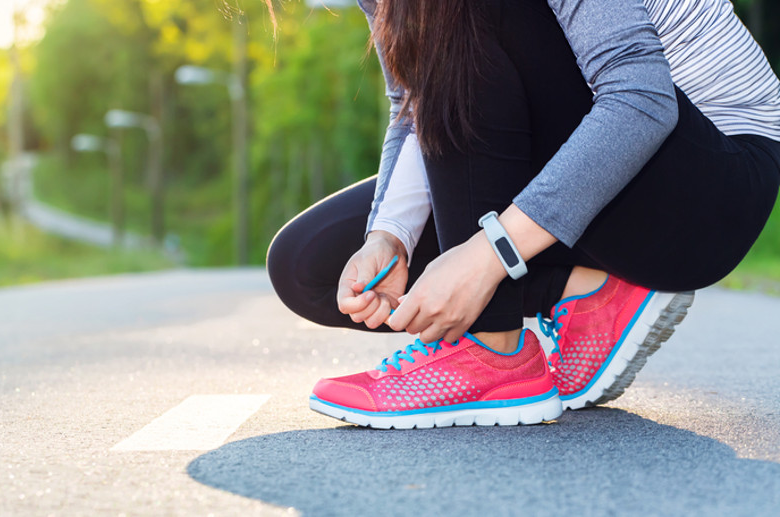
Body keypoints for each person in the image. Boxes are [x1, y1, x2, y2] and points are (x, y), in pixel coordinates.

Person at [267, 0, 780, 429]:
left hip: (708, 183)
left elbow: (641, 98)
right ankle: (586, 291)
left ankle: (491, 350)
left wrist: (486, 257)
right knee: (308, 264)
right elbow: (417, 102)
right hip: (594, 165)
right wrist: (390, 236)